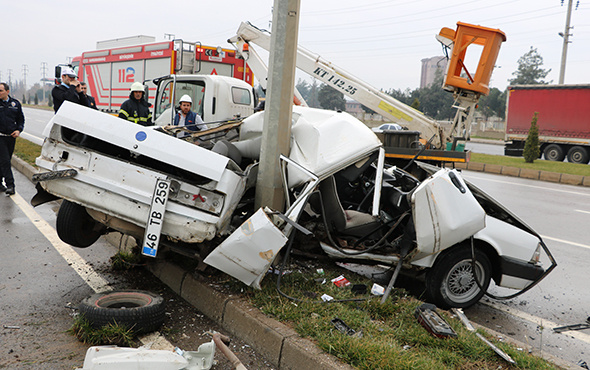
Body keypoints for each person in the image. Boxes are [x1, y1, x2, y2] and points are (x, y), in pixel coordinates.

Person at [0, 83, 25, 196]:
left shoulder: (15, 104)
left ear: (7, 91)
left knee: (5, 160)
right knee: (5, 161)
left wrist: (19, 130)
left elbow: (21, 119)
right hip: (0, 137)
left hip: (11, 137)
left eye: (1, 91)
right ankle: (10, 185)